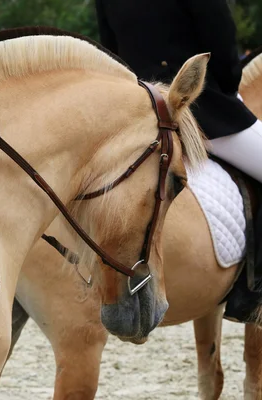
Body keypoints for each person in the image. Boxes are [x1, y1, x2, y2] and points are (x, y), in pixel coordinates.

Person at [95, 0, 262, 325]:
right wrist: (227, 89)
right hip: (201, 108)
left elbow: (109, 53)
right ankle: (254, 290)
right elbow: (224, 44)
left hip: (139, 111)